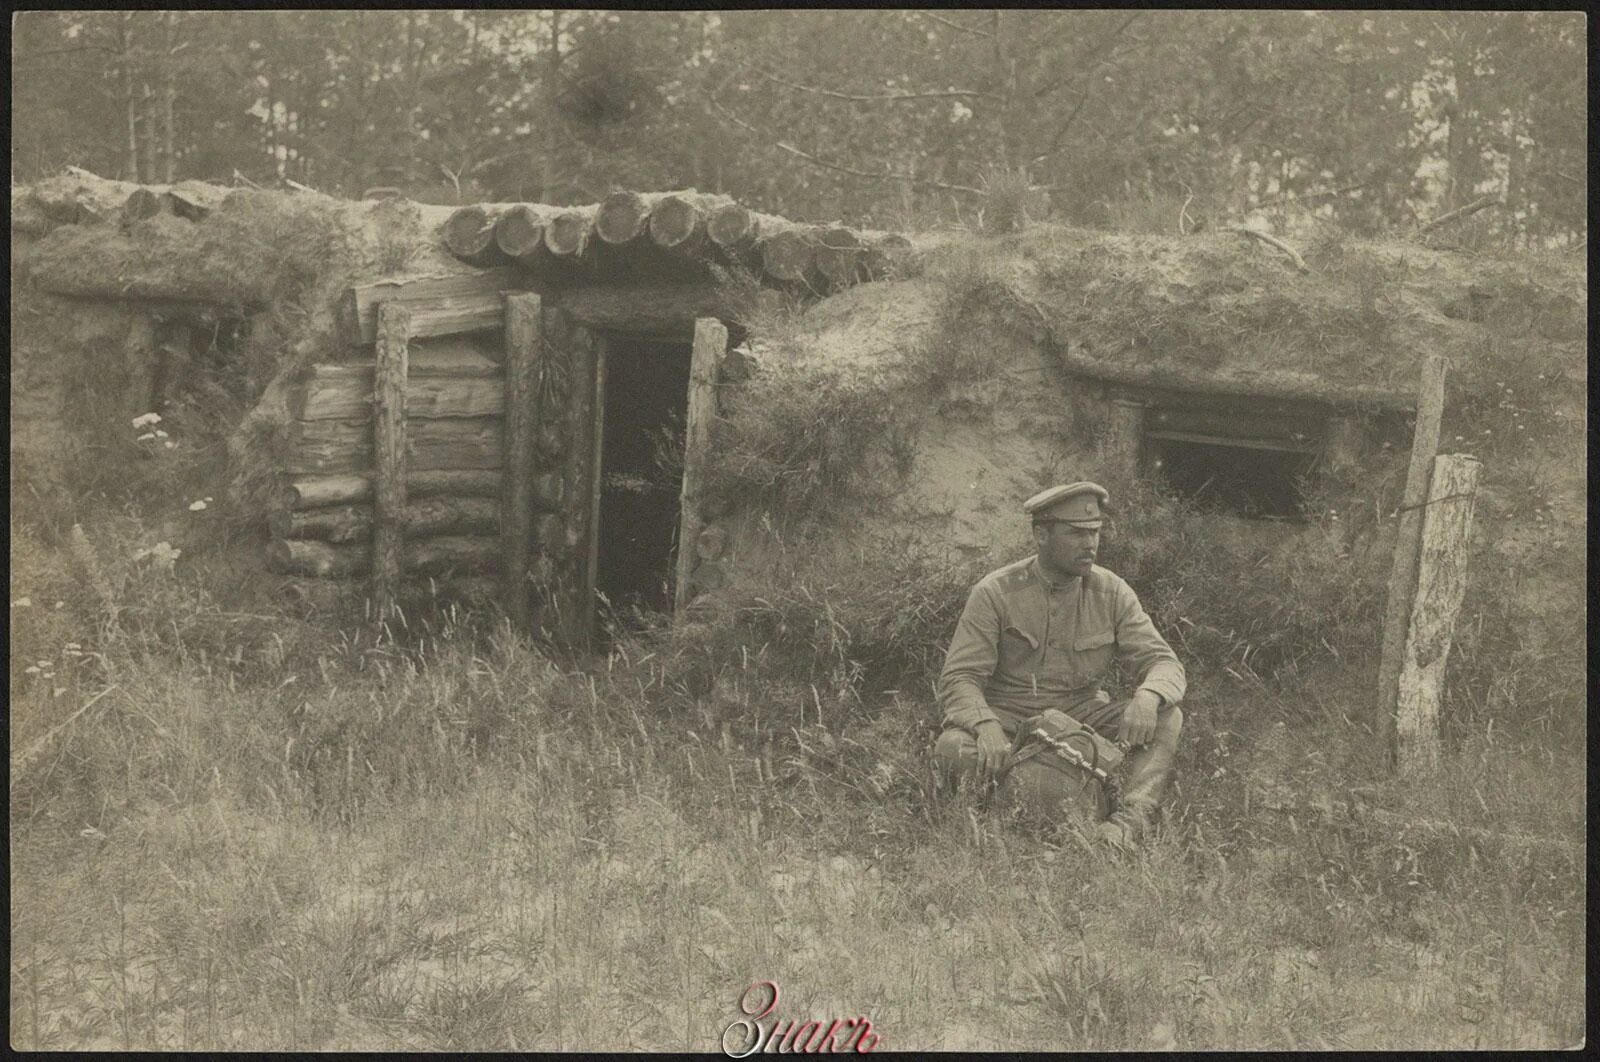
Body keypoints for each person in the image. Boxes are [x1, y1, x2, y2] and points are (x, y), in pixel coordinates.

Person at [933, 482, 1186, 847]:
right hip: (1009, 722)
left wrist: (1147, 696)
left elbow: (1164, 662)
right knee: (953, 748)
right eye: (1077, 533)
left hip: (1082, 719)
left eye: (1095, 532)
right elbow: (960, 677)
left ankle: (1127, 823)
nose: (1091, 544)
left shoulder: (1112, 592)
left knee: (1167, 715)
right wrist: (985, 725)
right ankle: (1034, 812)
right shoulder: (995, 592)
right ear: (1041, 535)